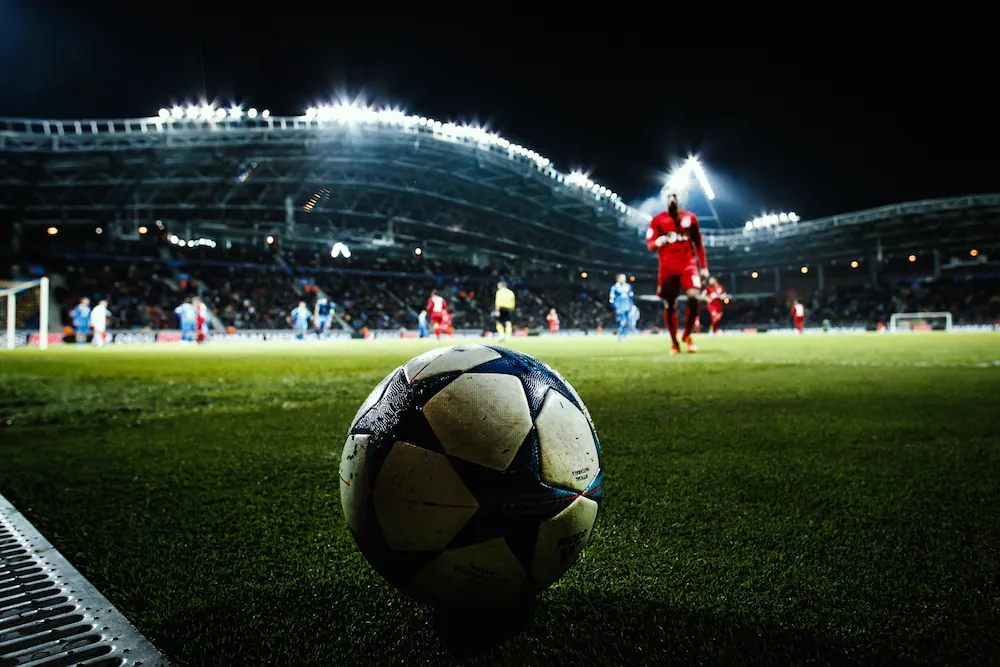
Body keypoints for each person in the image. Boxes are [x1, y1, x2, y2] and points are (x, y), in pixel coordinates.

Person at [646, 191, 709, 354]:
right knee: (669, 305)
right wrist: (656, 243)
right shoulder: (657, 220)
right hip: (667, 268)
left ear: (681, 199)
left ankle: (687, 335)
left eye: (675, 196)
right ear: (664, 200)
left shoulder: (690, 218)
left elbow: (698, 243)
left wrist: (703, 267)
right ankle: (674, 343)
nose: (672, 199)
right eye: (669, 196)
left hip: (688, 265)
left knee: (694, 297)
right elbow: (650, 244)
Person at [609, 274, 634, 341]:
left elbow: (631, 297)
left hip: (627, 306)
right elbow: (612, 299)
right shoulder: (614, 288)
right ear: (618, 279)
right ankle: (621, 335)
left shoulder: (628, 286)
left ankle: (623, 335)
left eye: (624, 278)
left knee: (626, 321)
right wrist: (615, 308)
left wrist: (631, 306)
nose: (623, 279)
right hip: (619, 307)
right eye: (622, 278)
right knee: (622, 320)